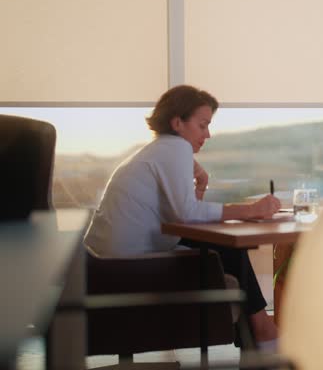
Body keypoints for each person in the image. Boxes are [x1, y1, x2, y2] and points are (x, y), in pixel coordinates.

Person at [84, 85, 281, 350]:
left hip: (103, 265)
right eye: (202, 125)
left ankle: (255, 334)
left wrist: (198, 188)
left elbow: (181, 217)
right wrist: (251, 209)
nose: (208, 134)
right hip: (125, 267)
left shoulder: (158, 150)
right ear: (178, 123)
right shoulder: (175, 148)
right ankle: (262, 331)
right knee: (229, 246)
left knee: (225, 246)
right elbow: (186, 214)